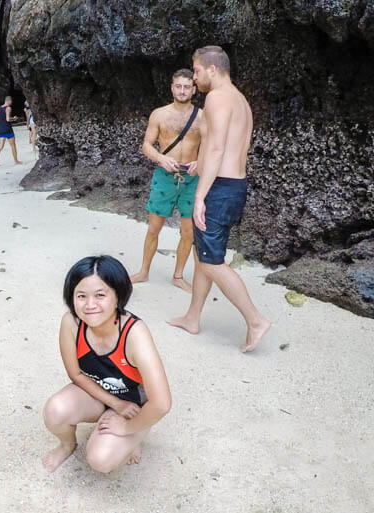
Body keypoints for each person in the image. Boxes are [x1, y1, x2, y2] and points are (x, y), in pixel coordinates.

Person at [167, 46, 271, 353]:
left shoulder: (217, 97)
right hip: (234, 183)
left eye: (196, 71)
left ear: (212, 70)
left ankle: (255, 320)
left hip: (219, 187)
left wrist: (200, 195)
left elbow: (215, 148)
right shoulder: (240, 100)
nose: (194, 78)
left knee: (212, 260)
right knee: (204, 254)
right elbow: (233, 146)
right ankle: (193, 316)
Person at [42, 255, 171, 473]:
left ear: (118, 295)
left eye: (100, 295)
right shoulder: (71, 322)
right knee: (55, 410)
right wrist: (114, 403)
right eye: (81, 296)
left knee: (102, 460)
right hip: (99, 394)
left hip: (133, 404)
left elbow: (161, 404)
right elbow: (76, 374)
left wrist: (127, 426)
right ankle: (67, 445)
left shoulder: (134, 333)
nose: (90, 305)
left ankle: (134, 438)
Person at [130, 69, 204, 293]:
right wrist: (161, 158)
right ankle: (144, 271)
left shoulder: (203, 116)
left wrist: (200, 161)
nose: (182, 91)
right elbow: (146, 145)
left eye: (187, 87)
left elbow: (212, 147)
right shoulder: (159, 114)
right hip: (165, 177)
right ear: (172, 88)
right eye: (178, 86)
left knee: (189, 232)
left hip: (191, 178)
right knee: (154, 228)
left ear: (194, 89)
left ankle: (178, 275)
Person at [0, 96, 22, 167]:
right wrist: (14, 119)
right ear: (9, 101)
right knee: (13, 146)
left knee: (0, 147)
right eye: (11, 101)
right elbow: (8, 119)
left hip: (0, 129)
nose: (11, 103)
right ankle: (16, 161)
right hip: (8, 129)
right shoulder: (8, 108)